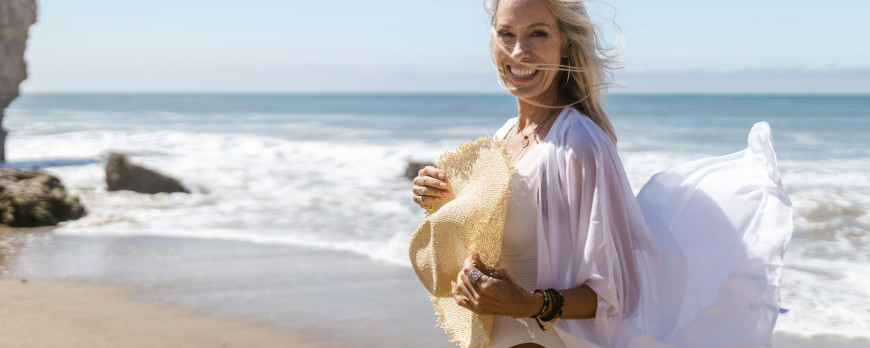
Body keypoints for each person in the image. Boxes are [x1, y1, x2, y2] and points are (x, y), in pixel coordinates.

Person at [412, 0, 791, 347]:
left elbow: (617, 293)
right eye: (506, 34)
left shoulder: (580, 145)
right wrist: (446, 202)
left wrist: (527, 303)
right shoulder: (506, 134)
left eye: (537, 34)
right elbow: (499, 242)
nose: (518, 51)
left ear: (566, 45)